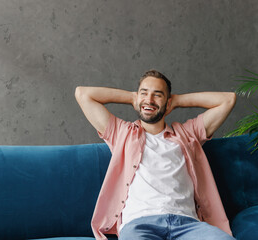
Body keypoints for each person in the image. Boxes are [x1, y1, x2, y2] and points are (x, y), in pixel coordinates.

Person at [75, 70, 236, 240]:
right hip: (139, 224)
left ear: (168, 103)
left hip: (187, 225)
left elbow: (228, 99)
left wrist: (178, 101)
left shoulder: (187, 134)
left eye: (157, 95)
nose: (149, 100)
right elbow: (83, 94)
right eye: (144, 93)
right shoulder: (122, 133)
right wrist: (133, 97)